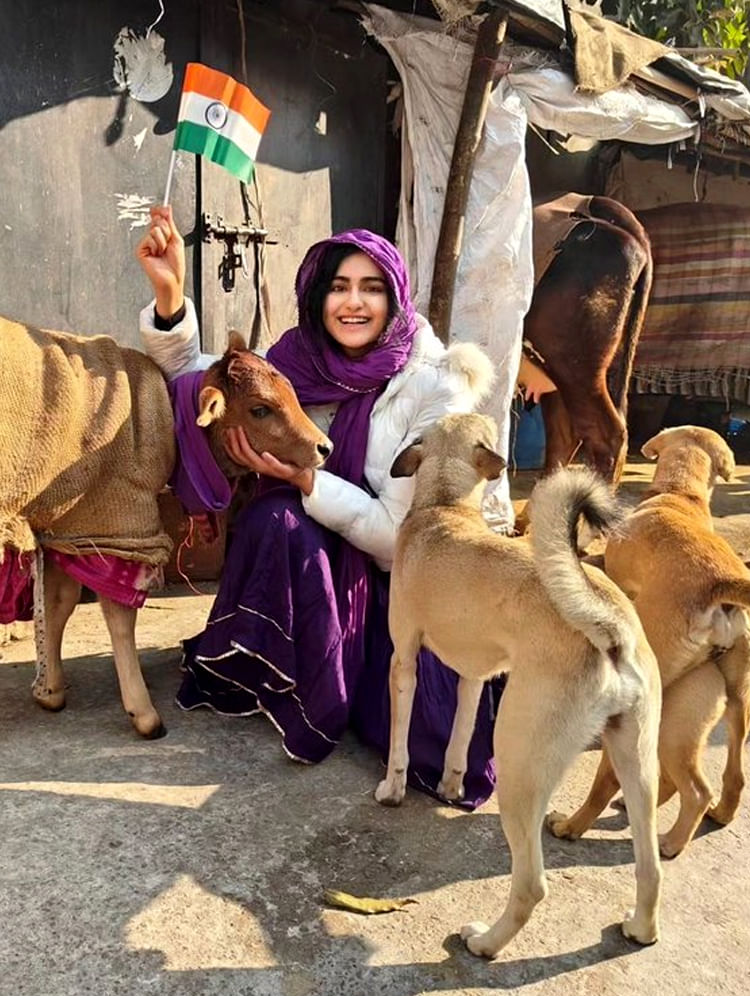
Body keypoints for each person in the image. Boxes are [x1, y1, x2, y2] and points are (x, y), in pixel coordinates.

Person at [136, 206, 502, 807]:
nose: (352, 304)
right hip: (322, 554)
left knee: (427, 738)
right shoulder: (295, 361)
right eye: (337, 287)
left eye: (371, 288)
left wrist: (308, 481)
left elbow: (400, 536)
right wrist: (171, 296)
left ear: (397, 296)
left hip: (401, 578)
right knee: (271, 518)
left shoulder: (435, 385)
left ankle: (341, 666)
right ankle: (290, 666)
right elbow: (205, 380)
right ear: (315, 296)